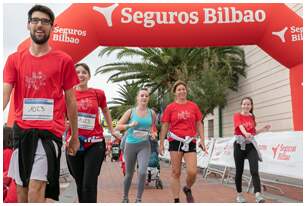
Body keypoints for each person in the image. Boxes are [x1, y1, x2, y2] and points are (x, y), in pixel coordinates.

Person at [3, 4, 80, 203]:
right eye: (35, 20)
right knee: (22, 190)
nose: (40, 25)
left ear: (52, 28)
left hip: (49, 134)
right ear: (28, 25)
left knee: (37, 187)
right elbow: (5, 92)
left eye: (45, 22)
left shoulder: (64, 60)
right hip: (22, 134)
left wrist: (74, 135)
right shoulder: (14, 60)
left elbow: (71, 100)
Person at [65, 63, 120, 203]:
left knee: (89, 183)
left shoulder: (98, 93)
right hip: (74, 142)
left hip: (95, 143)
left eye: (84, 72)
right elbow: (62, 116)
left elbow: (106, 110)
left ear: (89, 76)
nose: (81, 75)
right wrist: (64, 125)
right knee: (80, 183)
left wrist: (112, 130)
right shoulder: (68, 94)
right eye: (77, 72)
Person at [159, 80, 207, 203]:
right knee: (176, 172)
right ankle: (176, 200)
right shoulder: (170, 107)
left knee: (192, 172)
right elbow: (165, 125)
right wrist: (161, 144)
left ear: (186, 91)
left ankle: (187, 188)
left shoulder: (193, 106)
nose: (182, 91)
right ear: (175, 92)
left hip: (190, 141)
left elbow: (199, 123)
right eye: (179, 89)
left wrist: (202, 139)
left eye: (183, 89)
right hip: (175, 141)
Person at [116, 87, 157, 203]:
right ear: (137, 98)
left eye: (146, 96)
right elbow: (118, 126)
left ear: (148, 99)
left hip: (144, 145)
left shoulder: (152, 113)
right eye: (142, 95)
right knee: (129, 174)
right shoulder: (131, 112)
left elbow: (153, 127)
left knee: (143, 172)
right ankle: (125, 197)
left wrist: (153, 133)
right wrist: (130, 125)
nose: (144, 97)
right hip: (131, 145)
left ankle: (138, 199)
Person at [233, 97, 271, 203]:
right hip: (239, 145)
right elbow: (240, 126)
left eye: (248, 104)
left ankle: (258, 194)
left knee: (254, 170)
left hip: (250, 146)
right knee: (239, 171)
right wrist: (245, 134)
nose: (246, 106)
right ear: (241, 105)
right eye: (244, 104)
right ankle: (239, 195)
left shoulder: (252, 117)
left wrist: (263, 129)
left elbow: (253, 132)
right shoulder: (237, 115)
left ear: (251, 106)